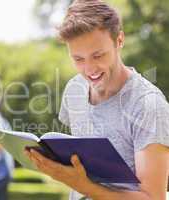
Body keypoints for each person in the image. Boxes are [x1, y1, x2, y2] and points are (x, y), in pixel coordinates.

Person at [25, 0, 169, 200]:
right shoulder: (74, 90)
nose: (89, 69)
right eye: (78, 59)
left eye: (98, 55)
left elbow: (153, 198)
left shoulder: (148, 105)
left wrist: (83, 186)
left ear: (119, 41)